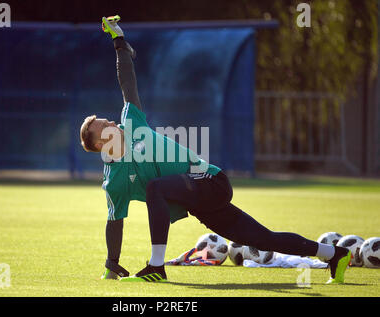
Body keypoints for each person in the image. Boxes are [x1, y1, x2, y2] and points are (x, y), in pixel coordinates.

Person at [79, 15, 351, 284]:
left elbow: (127, 82)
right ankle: (334, 253)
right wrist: (112, 264)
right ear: (100, 143)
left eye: (108, 119)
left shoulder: (131, 123)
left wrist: (118, 40)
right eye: (105, 125)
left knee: (156, 188)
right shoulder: (113, 181)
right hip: (200, 203)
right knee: (264, 239)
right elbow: (114, 221)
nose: (112, 121)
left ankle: (156, 267)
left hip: (211, 180)